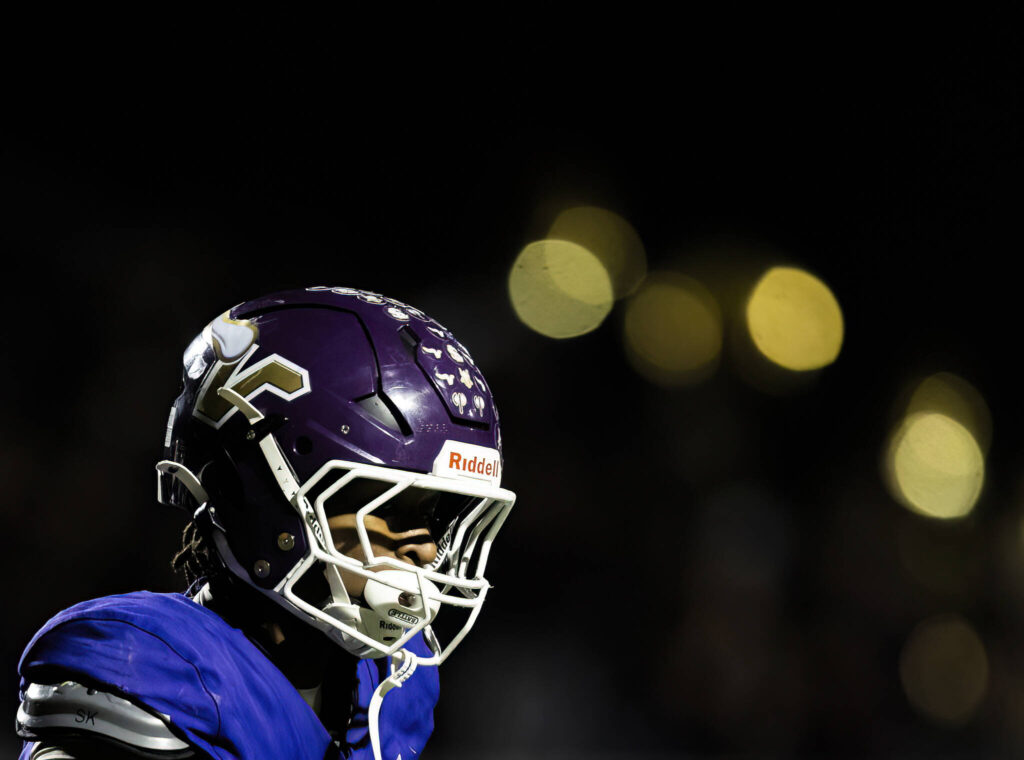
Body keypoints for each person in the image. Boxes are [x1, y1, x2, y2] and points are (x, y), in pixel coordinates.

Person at [15, 286, 516, 760]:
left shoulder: (395, 680)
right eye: (389, 507)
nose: (426, 550)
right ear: (261, 496)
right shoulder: (149, 668)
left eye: (435, 515)